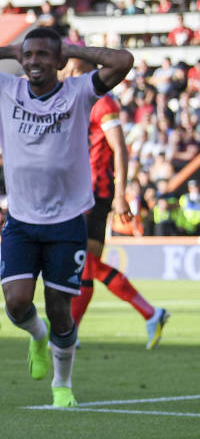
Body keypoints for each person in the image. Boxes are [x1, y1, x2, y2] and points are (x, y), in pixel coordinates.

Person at [0, 29, 135, 408]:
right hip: (21, 220)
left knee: (60, 309)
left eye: (43, 55)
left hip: (67, 222)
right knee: (16, 303)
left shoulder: (80, 92)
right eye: (28, 55)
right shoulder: (5, 88)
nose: (34, 61)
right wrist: (9, 49)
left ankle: (62, 385)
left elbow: (123, 61)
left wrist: (69, 49)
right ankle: (37, 336)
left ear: (59, 60)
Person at [63, 58, 169, 348]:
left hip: (94, 191)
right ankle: (151, 313)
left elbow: (119, 148)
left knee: (83, 264)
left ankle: (69, 333)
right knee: (92, 265)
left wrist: (121, 193)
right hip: (80, 190)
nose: (68, 74)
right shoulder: (79, 101)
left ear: (88, 71)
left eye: (74, 69)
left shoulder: (102, 103)